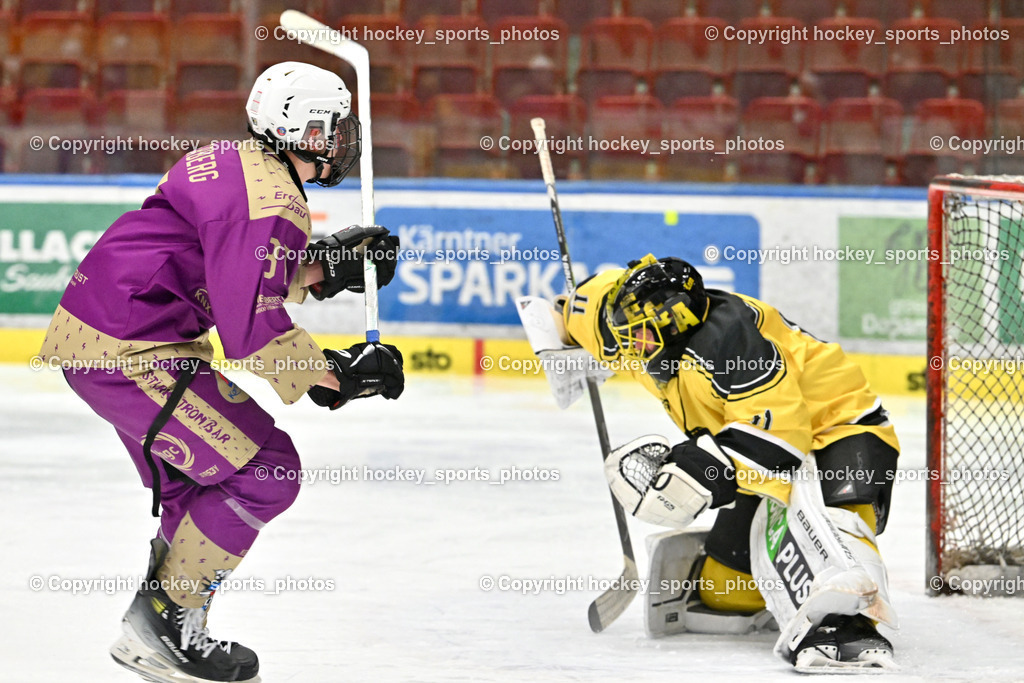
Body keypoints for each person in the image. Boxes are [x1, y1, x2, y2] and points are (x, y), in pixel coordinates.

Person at [37, 62, 403, 683]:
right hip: (133, 350)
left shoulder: (233, 159)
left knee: (197, 486)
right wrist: (342, 375)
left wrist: (320, 268)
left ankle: (167, 625)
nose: (343, 139)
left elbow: (226, 267)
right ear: (298, 126)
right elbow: (251, 330)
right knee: (267, 469)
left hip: (105, 337)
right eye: (332, 126)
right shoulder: (274, 200)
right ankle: (161, 625)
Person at [559, 254, 901, 672]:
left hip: (841, 429)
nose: (628, 348)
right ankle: (780, 578)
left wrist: (697, 473)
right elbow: (584, 307)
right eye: (624, 334)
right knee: (724, 593)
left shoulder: (731, 343)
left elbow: (781, 444)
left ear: (675, 326)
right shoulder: (631, 323)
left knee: (832, 526)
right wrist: (558, 323)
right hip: (761, 442)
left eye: (639, 336)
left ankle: (849, 621)